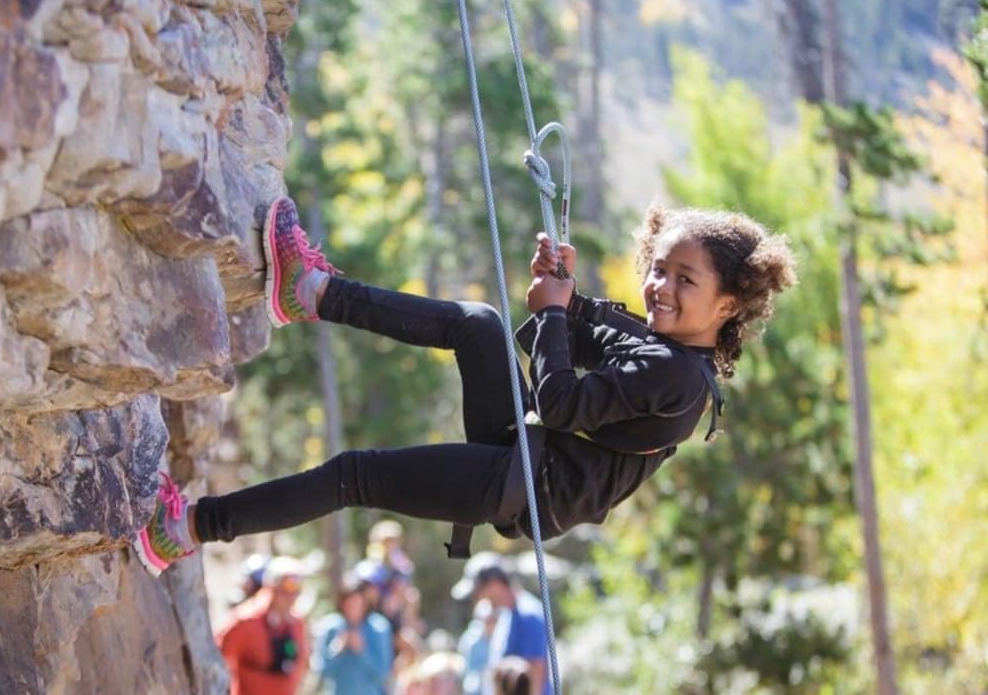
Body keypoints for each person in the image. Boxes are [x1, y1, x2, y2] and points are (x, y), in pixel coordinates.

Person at [132, 195, 797, 578]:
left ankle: (184, 530)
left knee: (353, 476)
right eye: (659, 269)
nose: (661, 288)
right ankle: (310, 294)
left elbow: (561, 403)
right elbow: (589, 328)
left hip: (527, 486)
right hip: (531, 453)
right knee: (478, 324)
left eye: (686, 280)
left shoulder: (677, 379)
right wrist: (562, 291)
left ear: (730, 303)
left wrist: (551, 312)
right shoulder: (663, 345)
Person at [451, 553, 551, 695]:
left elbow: (535, 673)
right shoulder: (506, 614)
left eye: (480, 591)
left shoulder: (528, 616)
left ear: (495, 584)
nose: (478, 598)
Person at [214, 555, 311, 695]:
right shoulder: (246, 621)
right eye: (286, 591)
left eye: (296, 592)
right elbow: (217, 658)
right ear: (272, 588)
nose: (291, 598)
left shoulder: (296, 624)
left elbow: (300, 662)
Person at [313, 572, 395, 695]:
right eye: (348, 603)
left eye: (357, 603)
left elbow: (382, 674)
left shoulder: (378, 628)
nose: (353, 608)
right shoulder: (331, 627)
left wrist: (362, 652)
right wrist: (337, 651)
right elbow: (323, 672)